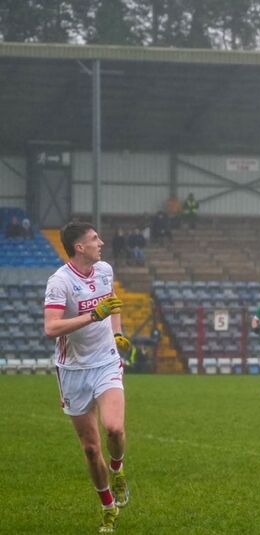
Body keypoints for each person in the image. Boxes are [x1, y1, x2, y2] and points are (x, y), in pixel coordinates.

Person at [43, 222, 132, 533]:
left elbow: (113, 302)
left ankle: (118, 469)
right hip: (73, 371)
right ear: (79, 247)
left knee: (115, 428)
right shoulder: (60, 282)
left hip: (106, 361)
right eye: (95, 239)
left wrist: (117, 333)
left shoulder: (104, 270)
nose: (101, 242)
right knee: (92, 448)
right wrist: (94, 315)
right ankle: (107, 505)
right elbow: (51, 328)